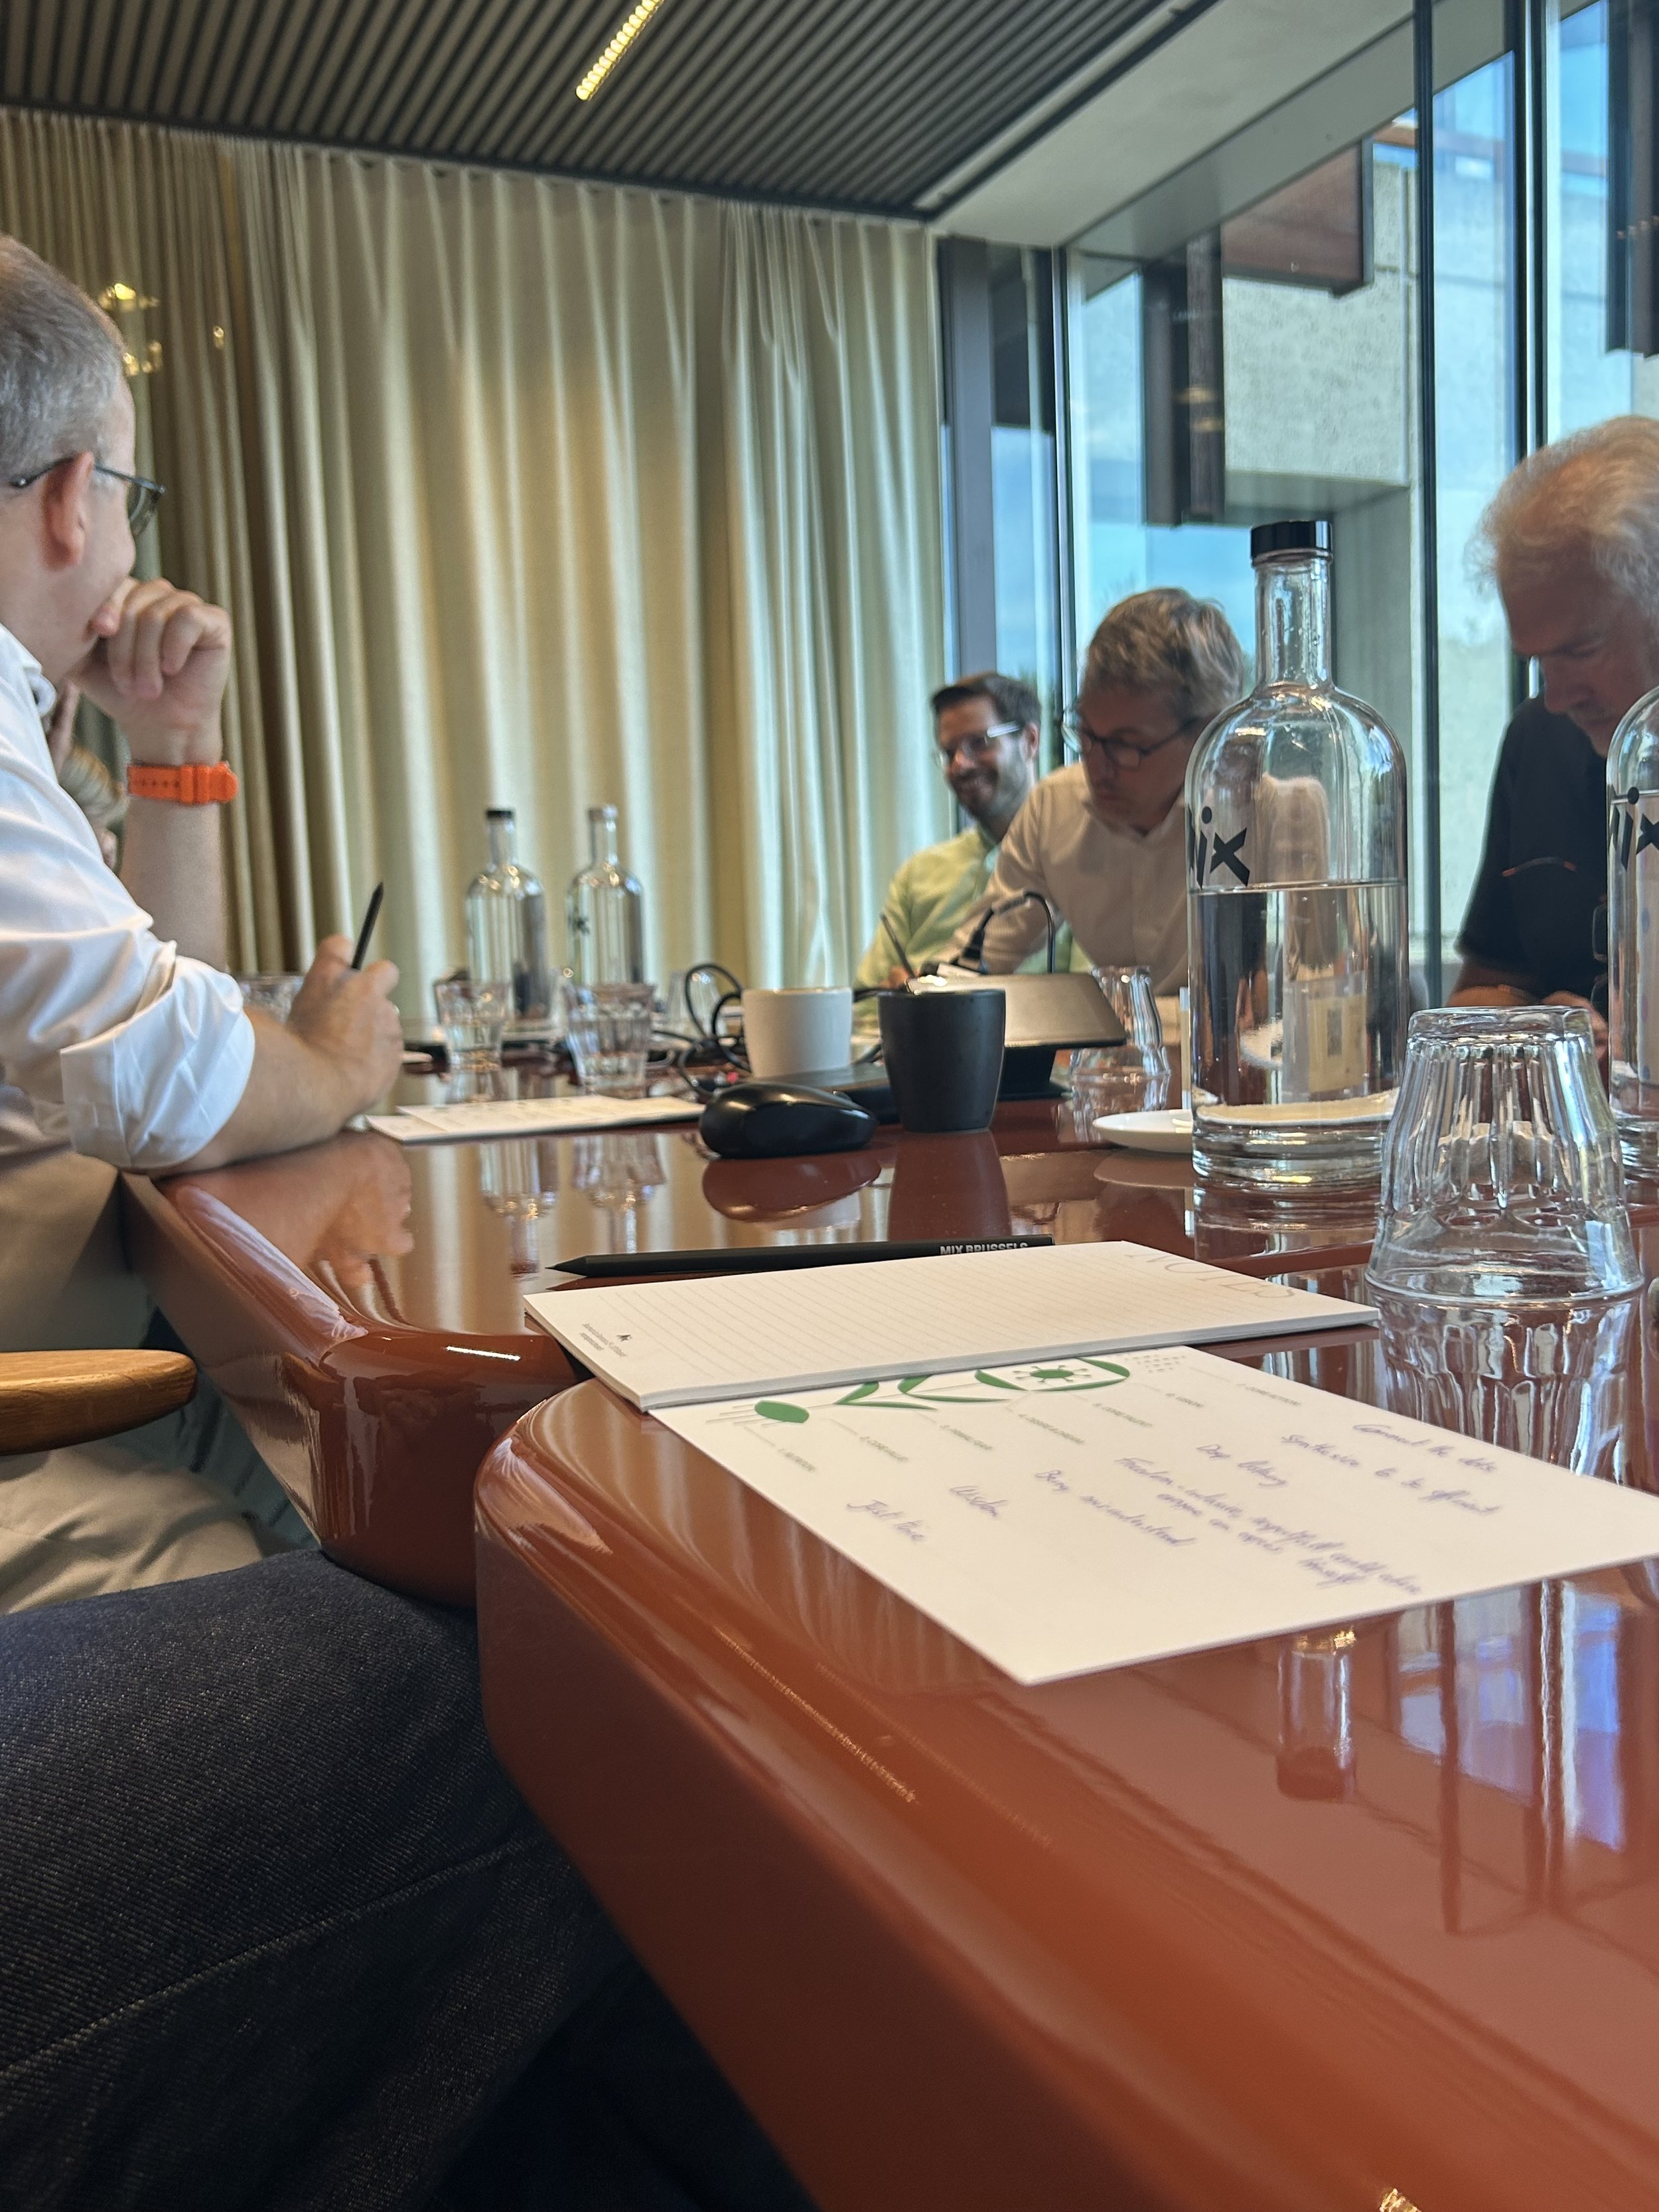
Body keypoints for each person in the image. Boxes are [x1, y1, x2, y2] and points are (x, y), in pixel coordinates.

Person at [0, 235, 402, 1605]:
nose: (126, 546)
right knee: (473, 1642)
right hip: (31, 1438)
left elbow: (152, 1009)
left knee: (367, 1509)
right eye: (128, 492)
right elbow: (175, 1081)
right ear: (70, 498)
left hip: (81, 1385)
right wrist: (342, 1064)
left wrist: (178, 741)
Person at [1452, 415, 1659, 1035]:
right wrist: (1537, 1035)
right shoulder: (1537, 742)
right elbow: (1481, 992)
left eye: (1580, 649)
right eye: (1539, 661)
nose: (1558, 696)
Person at [945, 588, 1246, 989]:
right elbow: (978, 955)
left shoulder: (1269, 812)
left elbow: (1309, 991)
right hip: (1121, 1048)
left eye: (1125, 744)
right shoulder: (1055, 808)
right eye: (1086, 734)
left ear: (1211, 732)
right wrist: (923, 991)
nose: (1096, 767)